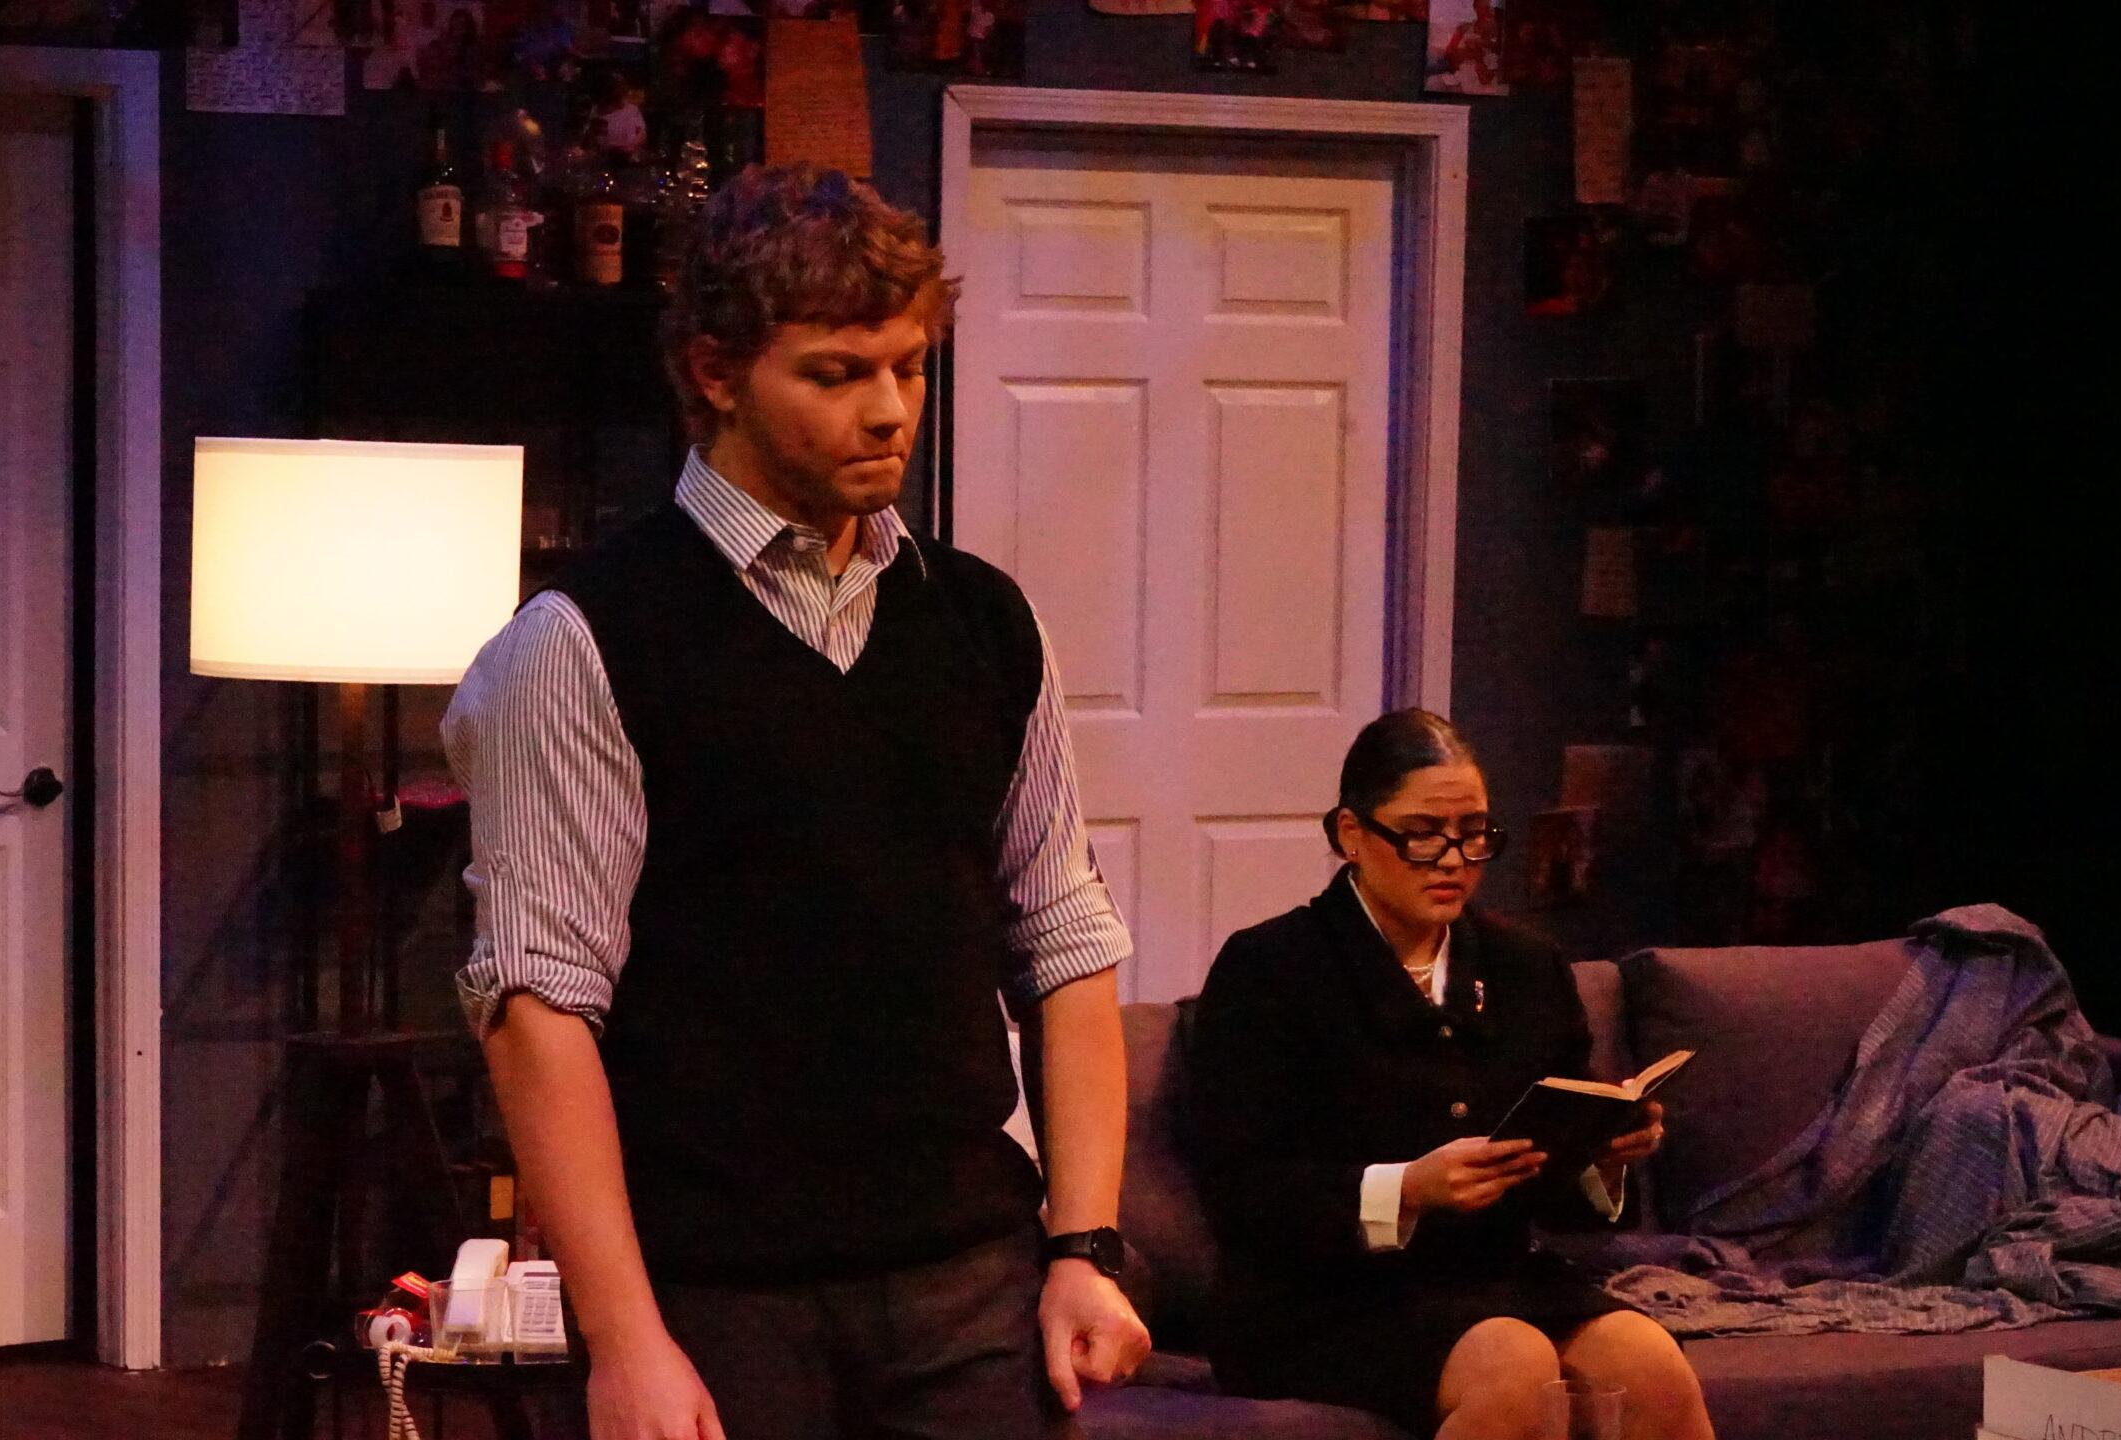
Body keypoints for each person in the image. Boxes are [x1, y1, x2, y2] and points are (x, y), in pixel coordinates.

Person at [443, 164, 1151, 1440]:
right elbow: (539, 1009)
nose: (889, 410)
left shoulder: (981, 620)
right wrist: (624, 1340)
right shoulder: (587, 639)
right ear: (716, 373)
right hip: (716, 1292)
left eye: (909, 368)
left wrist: (1083, 1245)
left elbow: (1065, 941)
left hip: (967, 1276)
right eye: (835, 374)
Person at [1186, 710, 1716, 1440]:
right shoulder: (1270, 969)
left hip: (1496, 1278)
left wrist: (1602, 1154)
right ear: (1351, 834)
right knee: (1513, 1365)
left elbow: (1562, 1202)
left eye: (1474, 834)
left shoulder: (1525, 965)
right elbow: (1244, 1191)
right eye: (1422, 833)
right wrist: (1408, 1188)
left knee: (1650, 1363)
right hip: (1320, 1296)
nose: (1453, 860)